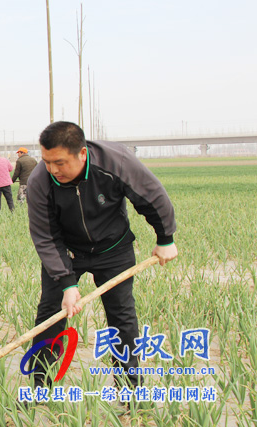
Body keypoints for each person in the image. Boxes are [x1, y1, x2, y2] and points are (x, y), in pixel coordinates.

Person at [26, 121, 178, 389]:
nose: (52, 169)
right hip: (68, 252)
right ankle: (41, 385)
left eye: (59, 162)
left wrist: (165, 238)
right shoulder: (41, 180)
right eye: (47, 161)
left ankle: (130, 388)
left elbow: (151, 196)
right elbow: (46, 237)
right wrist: (67, 282)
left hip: (113, 248)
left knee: (122, 316)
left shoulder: (115, 162)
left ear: (81, 154)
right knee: (50, 314)